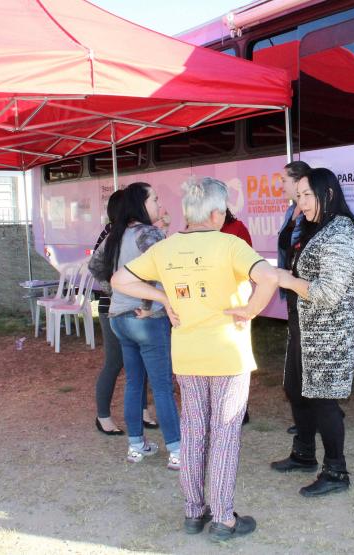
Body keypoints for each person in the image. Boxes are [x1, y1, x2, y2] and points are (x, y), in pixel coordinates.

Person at [112, 176, 279, 543]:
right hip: (227, 355)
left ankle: (193, 511)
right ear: (217, 212)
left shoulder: (167, 248)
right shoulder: (230, 245)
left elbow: (119, 280)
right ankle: (223, 518)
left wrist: (165, 300)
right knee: (224, 435)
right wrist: (250, 309)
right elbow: (268, 276)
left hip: (186, 355)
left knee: (193, 432)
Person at [270, 167, 354, 497]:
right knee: (296, 389)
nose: (301, 203)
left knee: (324, 401)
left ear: (327, 194)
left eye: (306, 196)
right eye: (298, 197)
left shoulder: (340, 232)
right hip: (304, 329)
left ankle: (336, 471)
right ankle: (303, 453)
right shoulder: (315, 227)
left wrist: (287, 280)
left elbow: (329, 291)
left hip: (327, 335)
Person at [96, 182, 181, 469]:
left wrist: (117, 294)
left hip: (118, 319)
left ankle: (136, 446)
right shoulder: (148, 233)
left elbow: (96, 267)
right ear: (141, 205)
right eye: (155, 199)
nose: (159, 204)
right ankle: (177, 450)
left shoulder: (116, 235)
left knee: (134, 382)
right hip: (146, 320)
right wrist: (149, 304)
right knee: (161, 386)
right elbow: (166, 269)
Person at [89, 190, 159, 436]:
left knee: (138, 363)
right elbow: (94, 266)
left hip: (131, 306)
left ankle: (142, 412)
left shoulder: (129, 233)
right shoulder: (113, 233)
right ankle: (103, 416)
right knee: (115, 362)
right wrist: (114, 288)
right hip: (114, 307)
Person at [278, 161, 311, 435]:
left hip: (304, 289)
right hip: (292, 288)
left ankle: (320, 413)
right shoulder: (292, 210)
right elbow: (284, 243)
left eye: (284, 180)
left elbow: (297, 246)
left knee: (307, 355)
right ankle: (305, 417)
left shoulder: (313, 212)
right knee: (296, 354)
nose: (281, 185)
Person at [220, 209, 253, 425]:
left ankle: (240, 408)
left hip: (233, 300)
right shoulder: (196, 231)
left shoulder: (237, 228)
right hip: (209, 306)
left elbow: (249, 262)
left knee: (236, 357)